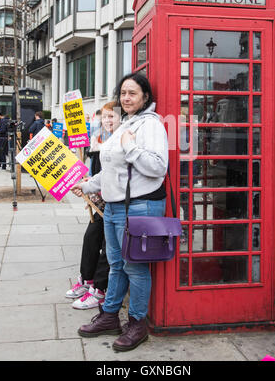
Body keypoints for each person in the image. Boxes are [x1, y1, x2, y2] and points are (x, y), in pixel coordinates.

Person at [71, 73, 168, 352]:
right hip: (114, 207)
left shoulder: (151, 125)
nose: (126, 98)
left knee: (135, 268)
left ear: (145, 97)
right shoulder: (125, 123)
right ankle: (110, 315)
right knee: (115, 264)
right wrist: (88, 184)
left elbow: (158, 167)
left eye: (132, 93)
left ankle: (137, 324)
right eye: (123, 93)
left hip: (138, 206)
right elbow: (111, 171)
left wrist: (130, 147)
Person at [67, 101, 120, 310]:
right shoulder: (102, 140)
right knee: (91, 238)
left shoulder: (122, 140)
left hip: (115, 202)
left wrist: (91, 185)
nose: (107, 120)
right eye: (104, 117)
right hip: (101, 200)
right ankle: (87, 280)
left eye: (111, 116)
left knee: (109, 247)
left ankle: (99, 289)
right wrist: (88, 184)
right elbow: (101, 173)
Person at [87, 110, 102, 177]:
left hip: (93, 144)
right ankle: (96, 174)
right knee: (98, 161)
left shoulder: (92, 123)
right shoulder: (100, 123)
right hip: (98, 144)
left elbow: (90, 134)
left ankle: (91, 174)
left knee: (92, 160)